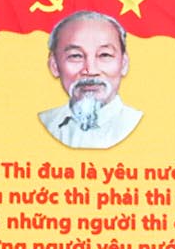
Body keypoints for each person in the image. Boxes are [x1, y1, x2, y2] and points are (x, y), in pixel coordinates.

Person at [36, 11, 143, 149]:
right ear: (54, 65)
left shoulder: (139, 124)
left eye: (104, 55)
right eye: (76, 56)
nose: (91, 71)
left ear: (123, 64)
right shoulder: (45, 123)